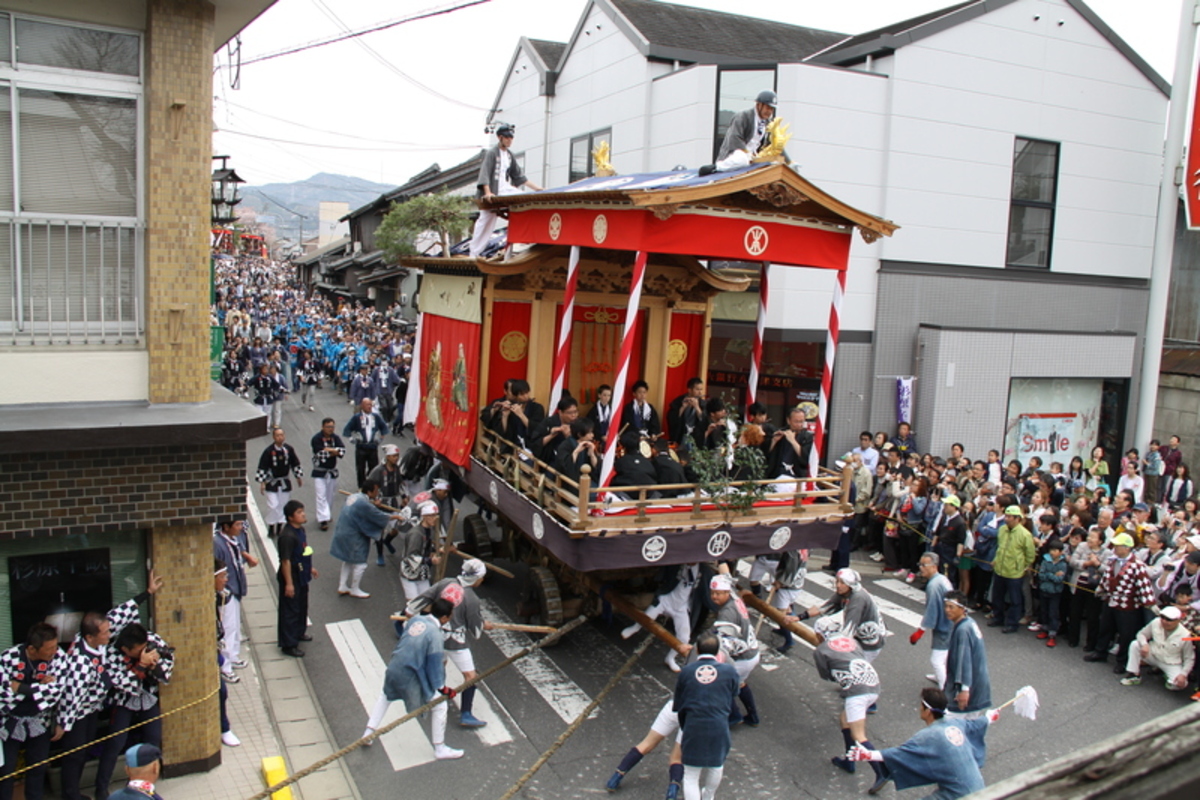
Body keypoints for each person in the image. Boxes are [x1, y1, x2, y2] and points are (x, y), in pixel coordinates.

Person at [57, 574, 163, 800]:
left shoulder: (99, 642)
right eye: (106, 633)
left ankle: (76, 792)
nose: (110, 634)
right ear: (90, 636)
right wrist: (62, 725)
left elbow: (119, 614)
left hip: (93, 708)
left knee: (83, 750)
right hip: (77, 713)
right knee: (75, 754)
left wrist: (148, 593)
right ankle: (71, 794)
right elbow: (71, 698)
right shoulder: (80, 662)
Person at [362, 597, 463, 760]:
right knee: (440, 705)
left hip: (394, 666)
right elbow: (434, 666)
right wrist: (442, 688)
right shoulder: (436, 636)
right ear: (444, 618)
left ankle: (368, 732)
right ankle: (440, 748)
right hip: (411, 675)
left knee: (385, 697)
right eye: (450, 616)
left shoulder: (416, 619)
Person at [849, 688, 994, 799]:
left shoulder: (928, 736)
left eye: (921, 706)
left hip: (957, 795)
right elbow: (975, 725)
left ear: (928, 711)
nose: (919, 709)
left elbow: (900, 753)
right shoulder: (956, 724)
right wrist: (989, 718)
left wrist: (867, 754)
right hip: (978, 788)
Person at [405, 559, 493, 728]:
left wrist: (410, 612)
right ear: (477, 578)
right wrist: (483, 625)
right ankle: (466, 714)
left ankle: (431, 697)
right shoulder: (471, 599)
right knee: (470, 676)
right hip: (456, 641)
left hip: (436, 636)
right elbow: (475, 631)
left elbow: (420, 601)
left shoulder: (445, 583)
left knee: (439, 666)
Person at [95, 622, 174, 799]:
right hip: (124, 701)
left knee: (153, 740)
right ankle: (101, 789)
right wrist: (140, 666)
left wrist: (154, 666)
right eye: (137, 651)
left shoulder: (153, 641)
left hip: (148, 698)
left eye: (143, 648)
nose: (142, 652)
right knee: (115, 743)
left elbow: (167, 673)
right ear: (125, 648)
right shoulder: (111, 654)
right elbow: (122, 685)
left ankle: (145, 787)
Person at [810, 616, 886, 787]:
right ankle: (849, 760)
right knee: (844, 720)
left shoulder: (820, 650)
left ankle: (881, 771)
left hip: (857, 692)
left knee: (858, 735)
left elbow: (826, 675)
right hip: (873, 683)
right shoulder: (852, 642)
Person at [0, 623, 67, 800]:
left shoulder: (58, 657)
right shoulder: (9, 658)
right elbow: (4, 693)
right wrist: (39, 689)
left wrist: (21, 688)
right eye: (49, 648)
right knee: (6, 771)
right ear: (32, 648)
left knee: (37, 768)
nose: (54, 651)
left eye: (55, 646)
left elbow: (56, 691)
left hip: (40, 720)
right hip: (10, 721)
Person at [672, 633, 740, 800]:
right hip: (719, 724)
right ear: (718, 650)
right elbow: (734, 694)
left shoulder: (686, 672)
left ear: (696, 649)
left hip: (693, 725)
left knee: (690, 774)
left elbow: (678, 705)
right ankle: (708, 796)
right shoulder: (729, 671)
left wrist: (685, 726)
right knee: (716, 765)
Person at [1084, 532, 1157, 671]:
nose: (1115, 548)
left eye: (1118, 546)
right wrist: (1101, 589)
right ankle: (1100, 651)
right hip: (1111, 600)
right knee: (1105, 627)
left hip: (1128, 605)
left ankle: (1122, 661)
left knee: (1126, 634)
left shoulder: (1137, 565)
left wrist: (1149, 603)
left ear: (1127, 548)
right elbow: (1106, 576)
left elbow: (1144, 585)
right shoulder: (1113, 560)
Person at [470, 124, 543, 257]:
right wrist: (487, 193)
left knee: (526, 199)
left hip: (505, 188)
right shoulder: (492, 153)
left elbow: (519, 176)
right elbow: (485, 173)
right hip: (494, 189)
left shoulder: (509, 155)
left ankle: (524, 241)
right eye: (507, 137)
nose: (510, 140)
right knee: (485, 222)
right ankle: (474, 253)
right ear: (500, 137)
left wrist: (537, 189)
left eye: (511, 137)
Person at [622, 563, 703, 672]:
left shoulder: (703, 570)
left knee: (684, 637)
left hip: (681, 606)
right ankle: (635, 628)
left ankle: (670, 658)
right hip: (667, 599)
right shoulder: (678, 563)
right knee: (647, 617)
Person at [705, 574, 760, 726]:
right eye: (712, 593)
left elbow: (724, 643)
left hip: (742, 656)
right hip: (752, 651)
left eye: (718, 594)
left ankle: (734, 715)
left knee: (719, 683)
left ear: (726, 593)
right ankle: (753, 717)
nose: (714, 597)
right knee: (740, 683)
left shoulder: (727, 613)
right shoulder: (735, 599)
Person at [802, 568, 888, 664]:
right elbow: (824, 608)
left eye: (842, 583)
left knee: (851, 669)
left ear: (849, 584)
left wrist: (832, 650)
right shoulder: (844, 592)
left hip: (869, 643)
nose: (838, 585)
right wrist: (799, 617)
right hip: (858, 635)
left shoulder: (858, 598)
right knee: (820, 624)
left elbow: (848, 632)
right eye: (837, 581)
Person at [330, 479, 398, 599]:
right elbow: (378, 516)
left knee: (347, 560)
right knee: (360, 563)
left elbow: (367, 509)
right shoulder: (363, 504)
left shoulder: (355, 496)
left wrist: (372, 504)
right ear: (370, 491)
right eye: (376, 490)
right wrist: (396, 516)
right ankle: (354, 588)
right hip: (353, 535)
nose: (377, 493)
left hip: (343, 530)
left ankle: (342, 586)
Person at [604, 698, 685, 797]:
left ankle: (615, 778)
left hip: (674, 706)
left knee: (646, 744)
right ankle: (672, 792)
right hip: (692, 715)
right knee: (677, 758)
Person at [212, 515, 257, 679]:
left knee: (235, 626)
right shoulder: (217, 544)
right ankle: (225, 666)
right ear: (225, 526)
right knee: (227, 628)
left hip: (235, 589)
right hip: (227, 591)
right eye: (237, 524)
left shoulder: (232, 540)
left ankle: (233, 656)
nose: (240, 527)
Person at [703, 89, 788, 174]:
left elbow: (775, 143)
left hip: (753, 158)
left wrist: (789, 162)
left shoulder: (768, 123)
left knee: (773, 162)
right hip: (735, 155)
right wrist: (747, 154)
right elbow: (735, 137)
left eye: (772, 109)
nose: (769, 111)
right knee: (742, 158)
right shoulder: (743, 116)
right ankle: (716, 168)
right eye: (767, 108)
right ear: (759, 105)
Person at [1120, 605, 1195, 689]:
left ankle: (1166, 675)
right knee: (1135, 644)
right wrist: (1144, 644)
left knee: (1179, 685)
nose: (1164, 621)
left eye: (1169, 619)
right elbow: (1141, 634)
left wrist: (1183, 674)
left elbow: (1189, 658)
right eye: (1162, 617)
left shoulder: (1185, 635)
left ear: (1178, 620)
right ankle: (1134, 675)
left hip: (1170, 662)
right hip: (1152, 654)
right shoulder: (1156, 622)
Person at [943, 590, 992, 718]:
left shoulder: (963, 631)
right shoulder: (970, 622)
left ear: (961, 608)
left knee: (955, 730)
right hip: (978, 683)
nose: (947, 610)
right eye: (946, 606)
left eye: (951, 607)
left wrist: (964, 690)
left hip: (970, 688)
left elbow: (964, 662)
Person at [278, 500, 317, 657]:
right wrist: (289, 583)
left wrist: (309, 569)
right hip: (292, 575)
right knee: (290, 610)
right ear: (290, 517)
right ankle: (288, 643)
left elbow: (302, 552)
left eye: (303, 511)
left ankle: (299, 632)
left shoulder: (300, 531)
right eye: (299, 513)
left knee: (301, 606)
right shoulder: (287, 536)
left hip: (302, 574)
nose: (303, 515)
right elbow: (286, 561)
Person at [989, 505, 1036, 633]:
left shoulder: (1025, 534)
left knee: (1015, 600)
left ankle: (1012, 623)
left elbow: (1030, 554)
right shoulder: (1002, 529)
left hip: (1015, 573)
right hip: (1000, 569)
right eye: (1006, 516)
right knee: (997, 596)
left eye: (1009, 517)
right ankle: (998, 617)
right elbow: (999, 547)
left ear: (1017, 519)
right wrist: (996, 560)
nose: (1006, 519)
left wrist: (1021, 566)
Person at [911, 553, 953, 686]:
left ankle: (944, 688)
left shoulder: (933, 585)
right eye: (920, 564)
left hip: (945, 625)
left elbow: (932, 609)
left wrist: (920, 631)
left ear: (934, 566)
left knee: (936, 660)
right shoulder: (941, 579)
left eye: (924, 565)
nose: (921, 568)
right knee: (945, 654)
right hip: (950, 621)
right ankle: (940, 677)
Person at [254, 427, 303, 538]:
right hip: (272, 483)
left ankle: (280, 527)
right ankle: (271, 526)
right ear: (273, 437)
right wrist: (262, 482)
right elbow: (263, 467)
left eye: (282, 435)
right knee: (273, 505)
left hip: (284, 482)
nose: (280, 437)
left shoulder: (288, 449)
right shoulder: (268, 451)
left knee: (283, 505)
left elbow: (295, 463)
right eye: (277, 435)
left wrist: (298, 477)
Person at [213, 559, 241, 747]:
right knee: (220, 691)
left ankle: (224, 727)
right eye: (222, 576)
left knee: (222, 692)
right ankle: (223, 728)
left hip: (214, 650)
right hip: (207, 653)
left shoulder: (218, 596)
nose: (225, 580)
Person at [367, 443, 405, 566]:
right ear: (388, 456)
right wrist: (375, 499)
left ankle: (387, 541)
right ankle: (379, 554)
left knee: (396, 528)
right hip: (381, 504)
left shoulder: (397, 469)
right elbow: (370, 485)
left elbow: (400, 483)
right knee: (380, 531)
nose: (396, 458)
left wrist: (404, 496)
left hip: (393, 503)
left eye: (397, 456)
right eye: (394, 456)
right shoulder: (378, 470)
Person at [398, 501, 443, 602]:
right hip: (409, 572)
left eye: (435, 515)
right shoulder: (416, 534)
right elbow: (411, 557)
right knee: (413, 603)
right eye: (432, 515)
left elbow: (426, 547)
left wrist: (435, 551)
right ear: (425, 516)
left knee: (425, 601)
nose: (435, 518)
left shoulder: (428, 531)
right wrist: (431, 561)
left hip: (422, 573)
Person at [310, 417, 346, 531]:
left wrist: (328, 450)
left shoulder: (335, 438)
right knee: (321, 495)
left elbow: (342, 451)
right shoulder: (316, 438)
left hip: (332, 471)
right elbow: (320, 454)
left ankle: (327, 513)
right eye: (328, 427)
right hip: (319, 472)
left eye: (332, 427)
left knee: (330, 495)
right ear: (322, 427)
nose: (331, 429)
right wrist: (333, 451)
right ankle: (323, 519)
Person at [344, 397, 388, 488]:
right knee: (360, 469)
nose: (370, 407)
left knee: (374, 468)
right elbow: (347, 429)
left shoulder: (376, 417)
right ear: (362, 405)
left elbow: (384, 427)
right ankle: (361, 487)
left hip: (372, 447)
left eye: (371, 405)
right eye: (368, 405)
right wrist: (352, 439)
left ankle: (373, 487)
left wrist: (380, 438)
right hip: (361, 447)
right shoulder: (357, 417)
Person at [767, 408, 814, 485]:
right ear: (788, 421)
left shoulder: (807, 437)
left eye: (801, 421)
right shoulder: (780, 432)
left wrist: (793, 441)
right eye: (796, 421)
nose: (799, 425)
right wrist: (774, 441)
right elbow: (767, 455)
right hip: (777, 474)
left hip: (796, 476)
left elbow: (806, 458)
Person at [1035, 540, 1068, 647]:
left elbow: (1060, 579)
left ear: (1061, 552)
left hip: (1055, 592)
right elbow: (1041, 575)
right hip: (1044, 589)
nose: (1052, 552)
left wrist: (1049, 575)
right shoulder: (1045, 561)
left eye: (1055, 550)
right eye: (1051, 550)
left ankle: (1052, 635)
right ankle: (1045, 629)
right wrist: (1053, 575)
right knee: (1044, 611)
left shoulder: (1063, 564)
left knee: (1053, 613)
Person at [666, 378, 706, 446]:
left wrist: (697, 407)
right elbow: (671, 419)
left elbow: (705, 421)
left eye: (701, 389)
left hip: (696, 437)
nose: (700, 392)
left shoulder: (703, 404)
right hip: (681, 435)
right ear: (689, 390)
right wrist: (682, 408)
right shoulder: (679, 401)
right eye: (697, 389)